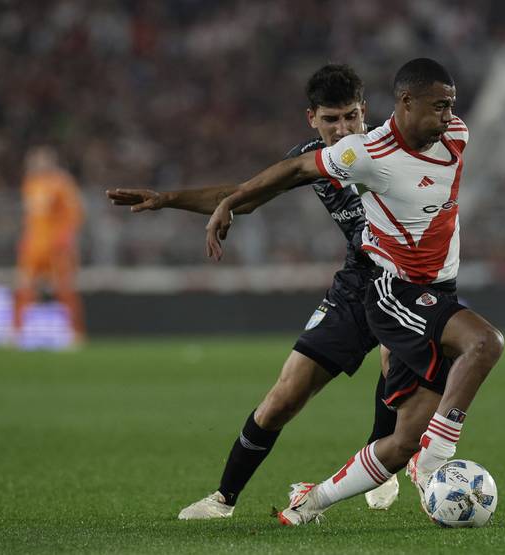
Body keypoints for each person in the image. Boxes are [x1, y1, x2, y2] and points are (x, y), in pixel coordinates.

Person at [204, 58, 504, 525]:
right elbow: (295, 170)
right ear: (406, 102)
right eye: (439, 106)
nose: (449, 116)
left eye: (451, 105)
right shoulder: (366, 153)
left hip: (439, 292)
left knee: (402, 441)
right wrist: (231, 201)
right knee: (484, 342)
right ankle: (435, 460)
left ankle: (310, 502)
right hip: (394, 290)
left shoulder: (457, 135)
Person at [106, 65, 399, 518]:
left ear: (365, 112)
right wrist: (167, 199)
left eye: (351, 117)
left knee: (394, 357)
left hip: (408, 278)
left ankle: (382, 460)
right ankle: (223, 499)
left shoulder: (390, 147)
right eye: (331, 119)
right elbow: (244, 195)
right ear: (312, 119)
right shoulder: (310, 159)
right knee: (285, 395)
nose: (343, 130)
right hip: (357, 281)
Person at [15, 146, 86, 345]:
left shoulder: (62, 183)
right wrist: (25, 240)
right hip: (34, 246)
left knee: (64, 289)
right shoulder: (30, 183)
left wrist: (65, 239)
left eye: (41, 160)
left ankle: (75, 333)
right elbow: (30, 218)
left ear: (51, 162)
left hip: (56, 247)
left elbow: (75, 214)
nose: (37, 164)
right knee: (24, 287)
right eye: (34, 160)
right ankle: (18, 332)